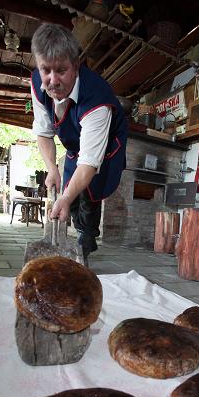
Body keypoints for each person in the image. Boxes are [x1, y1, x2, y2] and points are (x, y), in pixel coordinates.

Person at [30, 23, 127, 263]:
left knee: (91, 191)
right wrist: (51, 168)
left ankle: (88, 234)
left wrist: (66, 198)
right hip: (74, 144)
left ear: (75, 66)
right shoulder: (38, 84)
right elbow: (44, 132)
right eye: (46, 70)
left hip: (105, 149)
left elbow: (89, 162)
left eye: (61, 70)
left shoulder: (97, 98)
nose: (52, 80)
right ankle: (77, 228)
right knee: (68, 191)